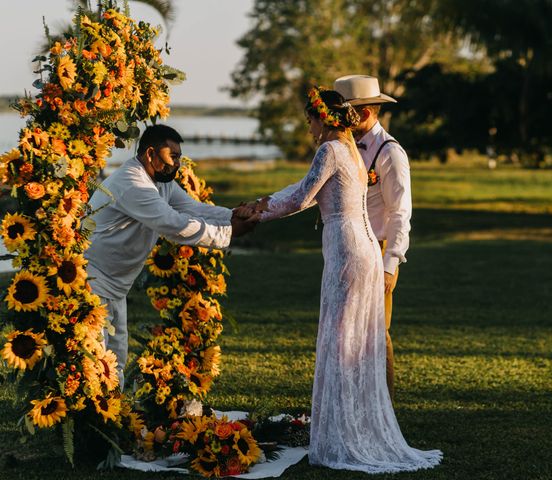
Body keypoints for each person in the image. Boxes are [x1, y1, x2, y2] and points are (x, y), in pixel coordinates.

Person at [244, 87, 441, 473]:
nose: (308, 128)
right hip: (363, 245)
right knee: (355, 338)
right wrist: (264, 201)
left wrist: (257, 215)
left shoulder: (331, 150)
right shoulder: (351, 147)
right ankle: (352, 426)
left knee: (340, 339)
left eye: (309, 120)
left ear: (322, 118)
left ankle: (343, 435)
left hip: (348, 247)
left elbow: (303, 197)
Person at [85, 124, 257, 386]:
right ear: (151, 153)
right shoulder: (133, 183)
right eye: (172, 156)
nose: (176, 163)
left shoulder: (160, 181)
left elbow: (191, 208)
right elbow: (174, 224)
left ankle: (109, 422)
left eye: (178, 156)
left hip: (117, 284)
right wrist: (229, 233)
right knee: (95, 362)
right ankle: (91, 422)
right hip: (93, 280)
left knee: (115, 360)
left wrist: (232, 214)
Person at [334, 74, 412, 401]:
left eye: (345, 113)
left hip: (377, 251)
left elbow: (400, 212)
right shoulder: (344, 147)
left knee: (376, 335)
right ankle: (355, 402)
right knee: (348, 333)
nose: (338, 120)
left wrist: (390, 263)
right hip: (350, 250)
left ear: (365, 113)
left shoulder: (390, 153)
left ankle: (384, 408)